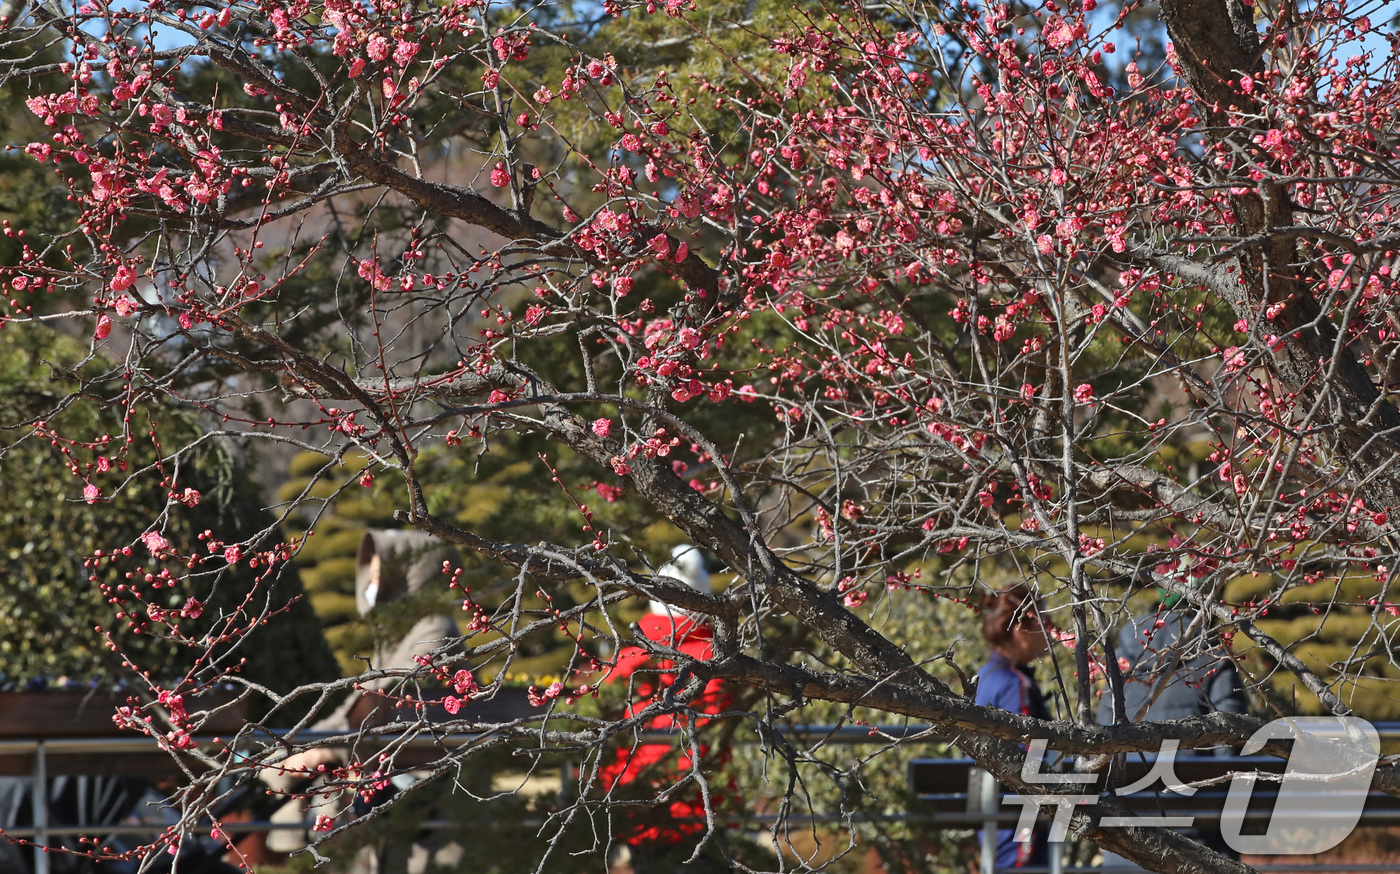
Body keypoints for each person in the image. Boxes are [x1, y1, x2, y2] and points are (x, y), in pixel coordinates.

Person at [600, 545, 731, 873]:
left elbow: (605, 717)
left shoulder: (630, 656)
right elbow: (725, 731)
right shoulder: (715, 660)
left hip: (639, 798)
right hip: (703, 804)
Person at [1095, 587, 1248, 868]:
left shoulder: (1122, 662)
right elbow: (1231, 756)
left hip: (1125, 839)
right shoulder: (1214, 661)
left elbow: (1100, 746)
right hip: (1196, 840)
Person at [974, 583, 1053, 871]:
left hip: (995, 825)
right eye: (1044, 620)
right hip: (1020, 832)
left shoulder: (985, 677)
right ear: (1020, 627)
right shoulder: (1014, 685)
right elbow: (1025, 759)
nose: (1050, 630)